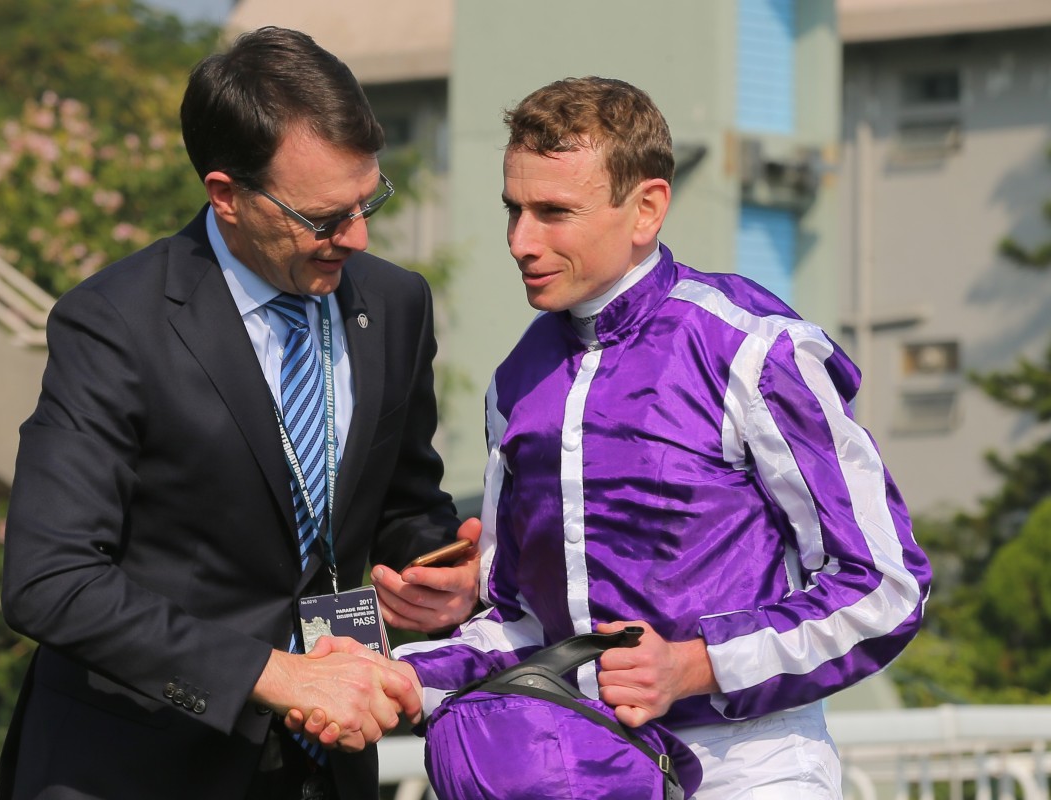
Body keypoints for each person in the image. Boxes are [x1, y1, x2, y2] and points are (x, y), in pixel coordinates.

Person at [319, 76, 930, 798]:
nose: (520, 242)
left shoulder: (753, 349)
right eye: (514, 209)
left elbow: (886, 587)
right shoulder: (516, 382)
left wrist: (694, 665)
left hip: (755, 766)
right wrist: (401, 677)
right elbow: (525, 628)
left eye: (554, 212)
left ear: (647, 208)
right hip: (582, 767)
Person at [0, 26, 481, 800]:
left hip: (327, 768)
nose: (358, 237)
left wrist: (439, 574)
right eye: (324, 218)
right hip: (138, 770)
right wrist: (272, 674)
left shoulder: (395, 304)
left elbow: (402, 502)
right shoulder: (114, 323)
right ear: (226, 196)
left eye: (369, 201)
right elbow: (49, 580)